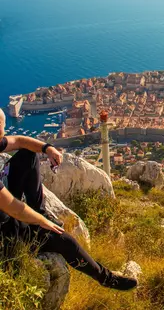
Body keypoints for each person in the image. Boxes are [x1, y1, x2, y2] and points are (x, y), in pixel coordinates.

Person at [0, 108, 137, 291]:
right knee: (64, 241)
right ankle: (106, 278)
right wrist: (42, 222)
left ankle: (39, 210)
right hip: (6, 230)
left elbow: (18, 140)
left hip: (7, 209)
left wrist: (47, 148)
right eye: (2, 131)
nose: (4, 135)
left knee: (28, 154)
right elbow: (14, 208)